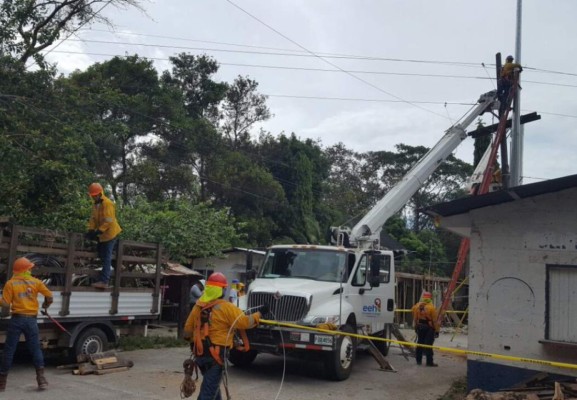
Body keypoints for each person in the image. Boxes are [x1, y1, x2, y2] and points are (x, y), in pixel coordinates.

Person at [184, 272, 267, 400]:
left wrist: (194, 342)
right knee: (208, 392)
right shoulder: (226, 307)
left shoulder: (198, 306)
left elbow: (187, 331)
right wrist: (260, 313)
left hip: (200, 355)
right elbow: (244, 322)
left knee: (212, 386)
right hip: (216, 356)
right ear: (222, 289)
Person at [0, 257, 53, 391]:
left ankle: (2, 383)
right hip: (31, 320)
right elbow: (49, 296)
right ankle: (41, 380)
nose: (31, 269)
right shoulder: (36, 282)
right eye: (30, 268)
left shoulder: (10, 283)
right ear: (26, 269)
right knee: (35, 348)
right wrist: (46, 305)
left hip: (16, 320)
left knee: (9, 350)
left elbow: (5, 303)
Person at [86, 182, 122, 289]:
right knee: (101, 254)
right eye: (92, 196)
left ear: (100, 193)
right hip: (103, 235)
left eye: (95, 195)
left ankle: (104, 281)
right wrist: (91, 230)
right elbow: (93, 218)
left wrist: (99, 231)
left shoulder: (107, 203)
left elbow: (109, 220)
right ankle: (117, 265)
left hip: (110, 234)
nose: (94, 197)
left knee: (106, 257)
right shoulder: (96, 204)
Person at [411, 291, 440, 367]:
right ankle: (429, 362)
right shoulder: (431, 308)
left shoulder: (417, 306)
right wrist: (437, 330)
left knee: (420, 344)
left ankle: (418, 361)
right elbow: (434, 320)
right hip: (429, 328)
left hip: (420, 327)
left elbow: (412, 311)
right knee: (428, 345)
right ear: (430, 298)